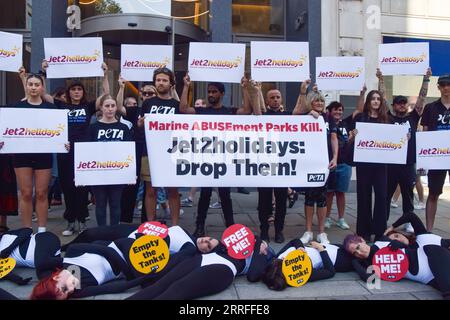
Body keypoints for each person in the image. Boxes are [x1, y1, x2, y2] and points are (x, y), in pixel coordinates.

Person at [41, 60, 115, 236]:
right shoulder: (61, 105)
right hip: (65, 151)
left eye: (79, 89)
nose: (76, 92)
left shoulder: (88, 107)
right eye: (73, 89)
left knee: (82, 187)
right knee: (67, 187)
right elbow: (43, 94)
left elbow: (106, 94)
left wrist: (104, 74)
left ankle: (82, 220)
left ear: (83, 92)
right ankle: (70, 222)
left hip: (84, 152)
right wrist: (43, 72)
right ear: (69, 92)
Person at [179, 73, 254, 237]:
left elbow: (247, 110)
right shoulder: (201, 111)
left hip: (224, 158)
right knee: (205, 194)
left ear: (222, 94)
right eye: (209, 92)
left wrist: (244, 88)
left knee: (225, 195)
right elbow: (183, 109)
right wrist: (186, 86)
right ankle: (199, 226)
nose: (211, 95)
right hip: (206, 158)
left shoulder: (230, 111)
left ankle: (230, 227)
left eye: (214, 92)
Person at [0, 72, 62, 233]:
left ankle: (41, 231)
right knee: (26, 193)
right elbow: (7, 129)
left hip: (43, 155)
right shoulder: (16, 107)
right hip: (22, 155)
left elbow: (58, 132)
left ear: (42, 87)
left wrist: (63, 143)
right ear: (26, 87)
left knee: (41, 193)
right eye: (30, 84)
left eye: (37, 84)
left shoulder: (51, 108)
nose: (33, 87)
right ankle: (26, 230)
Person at [245, 80, 299, 243]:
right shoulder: (263, 116)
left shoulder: (288, 116)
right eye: (272, 97)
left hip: (282, 164)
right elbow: (256, 109)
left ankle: (279, 230)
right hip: (265, 164)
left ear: (281, 99)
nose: (275, 99)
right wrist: (256, 91)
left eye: (278, 97)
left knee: (281, 200)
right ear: (267, 101)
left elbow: (302, 110)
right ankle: (264, 230)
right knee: (264, 200)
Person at [379, 68, 432, 231]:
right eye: (398, 104)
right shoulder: (389, 117)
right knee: (386, 195)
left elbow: (421, 98)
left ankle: (408, 221)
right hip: (391, 163)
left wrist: (426, 79)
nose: (401, 106)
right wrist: (381, 79)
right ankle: (384, 221)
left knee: (408, 195)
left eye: (403, 103)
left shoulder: (413, 117)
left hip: (409, 162)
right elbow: (382, 98)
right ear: (394, 106)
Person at [293, 84, 338, 245]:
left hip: (324, 163)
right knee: (309, 198)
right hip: (309, 162)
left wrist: (335, 157)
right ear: (311, 103)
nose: (319, 103)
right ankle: (308, 231)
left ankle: (321, 232)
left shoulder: (328, 118)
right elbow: (294, 113)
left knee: (322, 198)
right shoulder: (305, 115)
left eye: (321, 101)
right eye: (316, 101)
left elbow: (333, 138)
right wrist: (304, 91)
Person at [343, 234, 450, 300]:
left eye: (358, 247)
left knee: (447, 292)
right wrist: (354, 261)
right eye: (355, 253)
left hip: (429, 256)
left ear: (362, 240)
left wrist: (400, 244)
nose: (359, 252)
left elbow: (410, 246)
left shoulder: (381, 242)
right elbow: (368, 278)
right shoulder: (369, 264)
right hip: (426, 277)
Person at [136, 68, 181, 226]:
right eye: (158, 80)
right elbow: (140, 124)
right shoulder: (147, 103)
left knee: (173, 190)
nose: (161, 83)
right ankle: (151, 225)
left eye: (164, 80)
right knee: (150, 190)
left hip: (172, 152)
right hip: (150, 151)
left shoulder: (177, 105)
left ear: (171, 84)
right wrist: (140, 124)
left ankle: (175, 226)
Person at [348, 89, 390, 242]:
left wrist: (404, 137)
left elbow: (394, 138)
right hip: (364, 163)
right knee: (364, 196)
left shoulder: (386, 119)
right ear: (368, 102)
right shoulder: (360, 118)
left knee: (381, 196)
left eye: (378, 99)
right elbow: (351, 139)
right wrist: (352, 137)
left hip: (381, 164)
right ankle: (363, 231)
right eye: (373, 99)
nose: (376, 101)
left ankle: (380, 231)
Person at [88, 94, 133, 226]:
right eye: (107, 106)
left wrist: (130, 173)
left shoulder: (124, 128)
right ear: (101, 108)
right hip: (98, 172)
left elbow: (129, 151)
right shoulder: (93, 128)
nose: (110, 109)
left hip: (118, 172)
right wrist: (82, 174)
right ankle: (102, 232)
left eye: (113, 106)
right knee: (100, 204)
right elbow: (86, 151)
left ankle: (114, 232)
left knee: (115, 204)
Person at [420, 73, 450, 231]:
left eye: (448, 85)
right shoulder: (430, 108)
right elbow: (425, 133)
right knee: (433, 194)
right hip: (437, 156)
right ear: (438, 87)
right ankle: (429, 231)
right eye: (443, 85)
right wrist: (424, 160)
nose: (446, 88)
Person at [262, 239, 339, 291]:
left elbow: (294, 241)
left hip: (327, 246)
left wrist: (300, 247)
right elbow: (330, 271)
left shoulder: (278, 257)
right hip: (337, 257)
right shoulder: (303, 273)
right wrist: (321, 249)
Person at [325, 101, 354, 231]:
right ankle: (327, 218)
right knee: (329, 193)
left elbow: (348, 142)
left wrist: (352, 138)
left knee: (341, 192)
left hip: (345, 163)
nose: (338, 112)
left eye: (341, 110)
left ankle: (341, 219)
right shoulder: (325, 124)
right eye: (335, 110)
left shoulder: (346, 124)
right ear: (329, 112)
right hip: (329, 163)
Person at [384, 212, 450, 249]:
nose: (398, 239)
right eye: (395, 241)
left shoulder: (420, 234)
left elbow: (411, 215)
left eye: (397, 236)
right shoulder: (411, 252)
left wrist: (392, 227)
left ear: (401, 234)